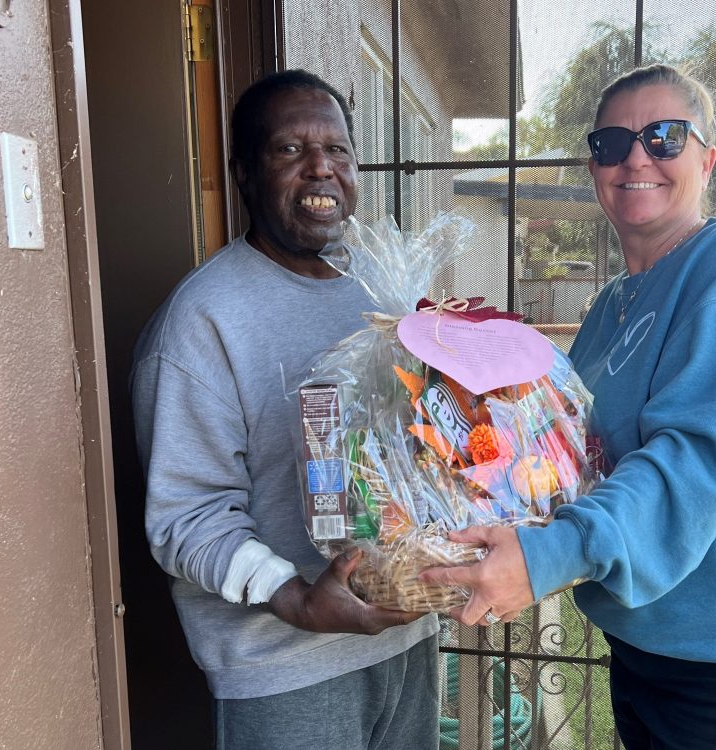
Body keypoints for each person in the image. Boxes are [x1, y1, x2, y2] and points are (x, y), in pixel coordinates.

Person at [422, 64, 716, 750]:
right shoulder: (609, 309)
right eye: (612, 144)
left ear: (706, 159)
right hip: (658, 639)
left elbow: (694, 456)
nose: (636, 158)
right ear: (594, 169)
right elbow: (568, 456)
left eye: (665, 136)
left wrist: (550, 554)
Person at [131, 69, 439, 750]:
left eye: (337, 149)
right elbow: (185, 517)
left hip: (409, 635)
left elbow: (422, 451)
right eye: (290, 150)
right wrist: (294, 597)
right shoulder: (202, 323)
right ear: (244, 174)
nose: (320, 168)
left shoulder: (383, 296)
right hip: (284, 669)